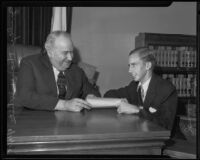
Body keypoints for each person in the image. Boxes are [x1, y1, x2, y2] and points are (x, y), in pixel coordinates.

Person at [14, 31, 101, 112]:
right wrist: (64, 105)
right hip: (34, 121)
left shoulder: (77, 71)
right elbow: (25, 96)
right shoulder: (30, 64)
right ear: (50, 52)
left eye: (71, 52)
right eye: (65, 53)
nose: (70, 58)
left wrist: (91, 97)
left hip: (67, 123)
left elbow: (94, 93)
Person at [104, 47, 178, 131]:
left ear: (148, 65)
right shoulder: (134, 86)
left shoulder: (166, 89)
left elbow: (166, 126)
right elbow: (109, 94)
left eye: (133, 65)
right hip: (139, 134)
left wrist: (137, 110)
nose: (129, 70)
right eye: (129, 66)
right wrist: (121, 101)